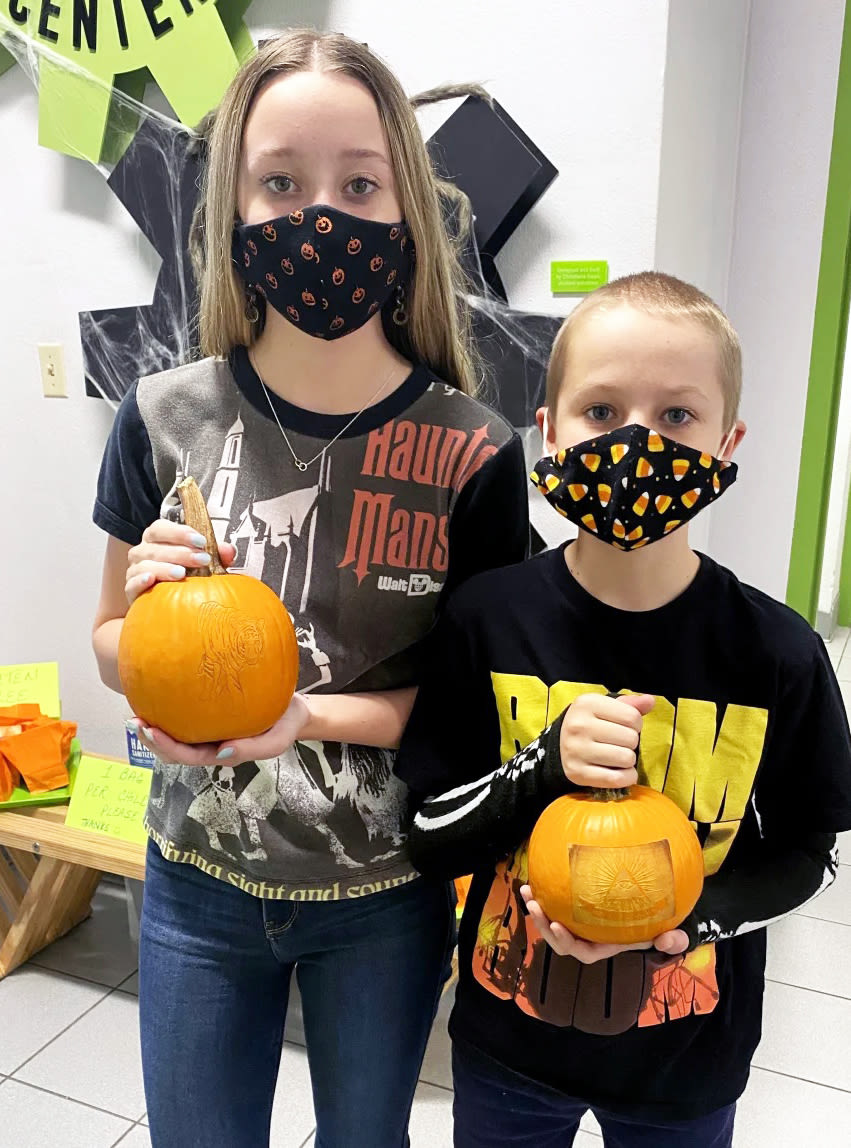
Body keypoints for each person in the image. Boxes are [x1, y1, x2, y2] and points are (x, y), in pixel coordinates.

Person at [91, 30, 528, 1148]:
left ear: (405, 212)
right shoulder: (160, 416)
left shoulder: (472, 449)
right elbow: (104, 637)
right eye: (279, 181)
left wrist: (298, 716)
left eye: (358, 182)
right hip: (194, 880)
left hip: (381, 897)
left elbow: (472, 701)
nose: (317, 211)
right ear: (233, 212)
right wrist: (142, 627)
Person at [396, 271, 851, 1148]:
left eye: (677, 416)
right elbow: (424, 830)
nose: (636, 441)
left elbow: (810, 855)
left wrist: (685, 920)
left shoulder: (778, 651)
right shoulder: (486, 618)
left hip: (686, 1063)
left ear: (727, 443)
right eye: (600, 412)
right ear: (548, 431)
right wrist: (542, 764)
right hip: (507, 1045)